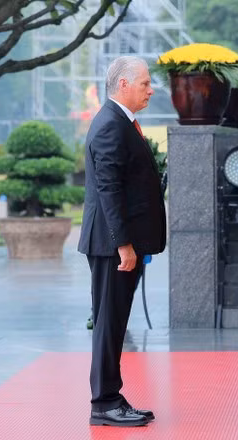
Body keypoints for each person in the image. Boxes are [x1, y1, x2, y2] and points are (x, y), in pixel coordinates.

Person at [78, 56, 166, 427]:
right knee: (109, 323)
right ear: (124, 85)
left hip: (117, 243)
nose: (151, 89)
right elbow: (109, 190)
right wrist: (124, 245)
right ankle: (104, 403)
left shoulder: (120, 121)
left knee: (113, 322)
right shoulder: (110, 125)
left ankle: (111, 397)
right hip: (112, 246)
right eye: (145, 83)